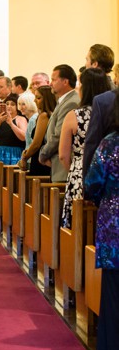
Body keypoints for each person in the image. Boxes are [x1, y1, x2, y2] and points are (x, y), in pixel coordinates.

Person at [82, 112, 119, 350]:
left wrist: (101, 198)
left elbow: (93, 183)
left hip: (114, 226)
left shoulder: (111, 144)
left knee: (114, 295)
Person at [59, 67, 109, 229]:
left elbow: (63, 155)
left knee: (78, 225)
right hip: (107, 171)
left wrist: (74, 170)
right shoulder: (110, 114)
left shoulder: (74, 115)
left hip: (80, 172)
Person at [38, 64, 79, 182]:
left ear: (65, 81)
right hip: (57, 164)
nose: (50, 83)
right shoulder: (64, 100)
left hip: (63, 166)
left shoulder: (71, 102)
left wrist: (43, 154)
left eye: (54, 80)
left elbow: (59, 135)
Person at [0, 94, 25, 202]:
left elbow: (23, 137)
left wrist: (11, 123)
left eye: (13, 104)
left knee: (11, 185)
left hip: (14, 154)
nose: (9, 106)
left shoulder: (20, 119)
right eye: (7, 104)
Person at [18, 86, 55, 177]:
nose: (34, 101)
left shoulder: (44, 116)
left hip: (40, 160)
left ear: (47, 99)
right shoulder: (50, 114)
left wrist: (24, 157)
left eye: (38, 98)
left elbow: (36, 143)